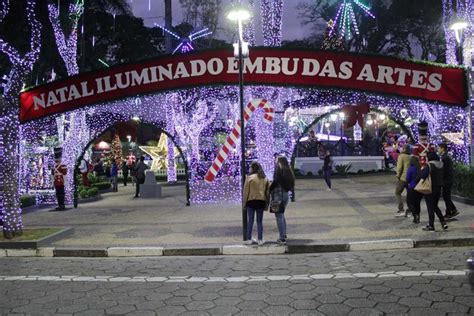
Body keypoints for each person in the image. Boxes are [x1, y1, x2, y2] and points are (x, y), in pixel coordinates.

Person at [243, 161, 270, 246]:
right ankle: (260, 239)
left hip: (251, 201)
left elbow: (245, 192)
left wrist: (244, 204)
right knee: (259, 221)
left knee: (250, 221)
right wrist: (267, 203)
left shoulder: (249, 178)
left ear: (253, 168)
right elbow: (267, 192)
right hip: (261, 201)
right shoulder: (264, 178)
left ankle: (249, 239)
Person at [269, 156, 295, 245]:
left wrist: (269, 188)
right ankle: (284, 234)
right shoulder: (288, 171)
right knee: (282, 215)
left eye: (276, 161)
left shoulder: (279, 170)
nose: (275, 162)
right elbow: (292, 184)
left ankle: (282, 237)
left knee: (279, 216)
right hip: (285, 195)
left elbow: (275, 181)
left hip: (278, 194)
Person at [420, 152, 448, 231]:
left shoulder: (429, 165)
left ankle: (431, 225)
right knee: (435, 206)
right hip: (438, 188)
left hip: (430, 188)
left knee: (430, 207)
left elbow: (423, 175)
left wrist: (422, 170)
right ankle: (443, 222)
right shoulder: (441, 165)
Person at [438, 143, 460, 219]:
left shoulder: (444, 158)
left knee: (446, 196)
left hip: (446, 180)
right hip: (448, 180)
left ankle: (451, 211)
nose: (438, 150)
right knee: (446, 196)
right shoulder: (446, 157)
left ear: (442, 148)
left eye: (439, 148)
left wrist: (441, 179)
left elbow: (444, 170)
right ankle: (451, 211)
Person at [394, 144, 411, 217]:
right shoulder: (411, 157)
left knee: (398, 193)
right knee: (410, 194)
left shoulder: (401, 156)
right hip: (410, 178)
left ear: (404, 149)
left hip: (403, 178)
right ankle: (410, 210)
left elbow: (399, 168)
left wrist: (397, 176)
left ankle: (401, 210)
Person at [406, 156, 423, 224]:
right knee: (417, 203)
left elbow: (408, 178)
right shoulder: (420, 168)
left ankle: (415, 215)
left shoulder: (411, 168)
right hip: (419, 188)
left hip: (412, 187)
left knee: (410, 202)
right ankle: (418, 215)